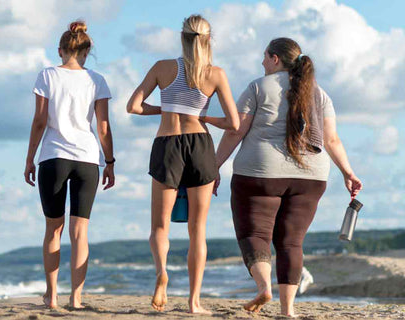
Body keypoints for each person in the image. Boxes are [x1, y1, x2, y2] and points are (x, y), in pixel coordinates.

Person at [213, 37, 363, 317]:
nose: (261, 63)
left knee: (254, 234)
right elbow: (331, 139)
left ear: (275, 59)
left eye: (264, 57)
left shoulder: (258, 86)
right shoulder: (320, 94)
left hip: (259, 173)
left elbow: (236, 131)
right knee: (291, 242)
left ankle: (262, 287)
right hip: (311, 174)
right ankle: (288, 310)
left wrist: (214, 166)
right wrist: (348, 172)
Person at [126, 14, 239, 314]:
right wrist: (203, 117)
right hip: (200, 143)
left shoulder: (163, 68)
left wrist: (164, 109)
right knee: (197, 229)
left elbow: (133, 106)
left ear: (182, 37)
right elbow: (234, 123)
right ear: (208, 39)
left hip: (167, 143)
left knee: (160, 226)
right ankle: (194, 302)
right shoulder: (215, 74)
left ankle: (162, 272)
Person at [24, 20, 116, 310]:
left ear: (60, 50)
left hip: (53, 157)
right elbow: (103, 127)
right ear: (87, 51)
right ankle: (76, 298)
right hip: (88, 159)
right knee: (80, 232)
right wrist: (110, 162)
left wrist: (29, 158)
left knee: (54, 229)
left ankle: (52, 296)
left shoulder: (47, 75)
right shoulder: (97, 80)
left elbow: (40, 121)